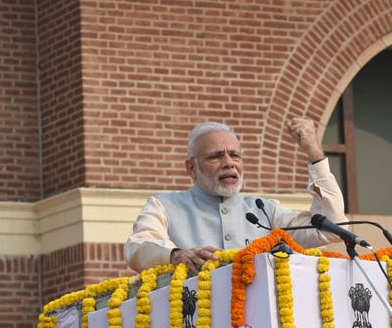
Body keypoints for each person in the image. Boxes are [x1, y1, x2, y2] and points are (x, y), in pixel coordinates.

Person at [124, 117, 347, 273]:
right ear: (191, 168)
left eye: (235, 155)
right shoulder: (164, 206)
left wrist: (315, 155)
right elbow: (138, 246)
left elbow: (331, 230)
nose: (228, 163)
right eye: (216, 156)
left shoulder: (263, 209)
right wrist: (175, 255)